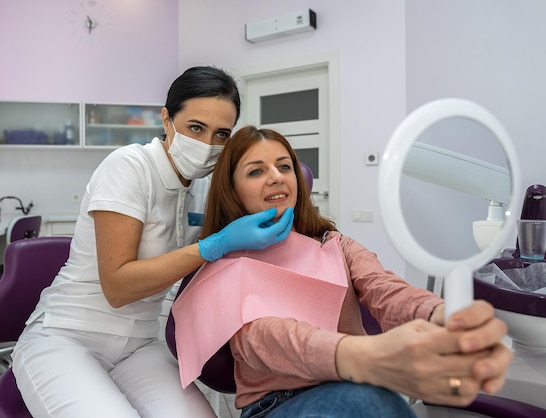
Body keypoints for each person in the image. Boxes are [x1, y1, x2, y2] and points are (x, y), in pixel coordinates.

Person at [11, 68, 293, 418]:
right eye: (195, 128)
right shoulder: (129, 167)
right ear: (166, 118)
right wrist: (211, 245)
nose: (207, 145)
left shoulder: (205, 187)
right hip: (67, 336)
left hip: (141, 343)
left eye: (221, 134)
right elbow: (118, 287)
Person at [179, 125, 512, 418]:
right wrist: (363, 355)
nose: (277, 176)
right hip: (277, 404)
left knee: (370, 400)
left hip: (359, 387)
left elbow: (386, 291)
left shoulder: (333, 244)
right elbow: (263, 338)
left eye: (284, 166)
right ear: (232, 190)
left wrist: (442, 315)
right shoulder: (226, 265)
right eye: (256, 171)